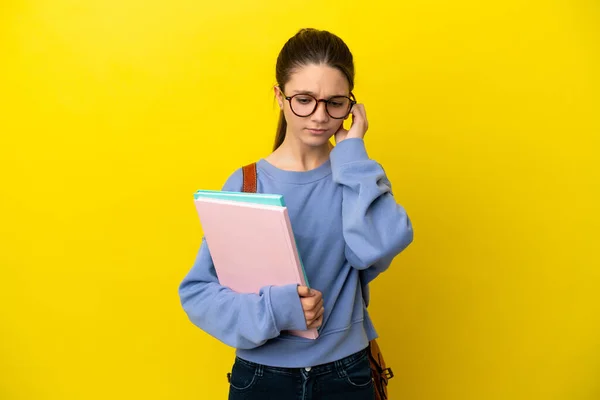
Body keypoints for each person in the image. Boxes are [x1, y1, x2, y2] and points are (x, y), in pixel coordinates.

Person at [178, 28, 413, 400]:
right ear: (280, 97)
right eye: (304, 99)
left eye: (335, 103)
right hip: (261, 378)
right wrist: (277, 310)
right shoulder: (247, 183)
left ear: (351, 107)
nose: (320, 116)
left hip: (347, 374)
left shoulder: (355, 175)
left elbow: (376, 248)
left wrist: (352, 154)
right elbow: (199, 293)